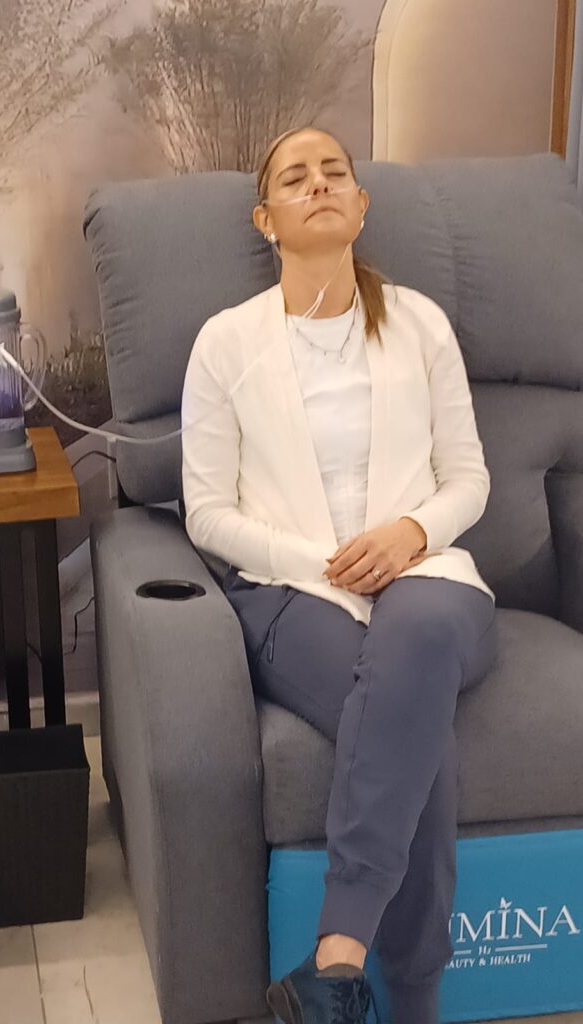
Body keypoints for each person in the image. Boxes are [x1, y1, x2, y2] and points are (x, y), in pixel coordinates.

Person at [179, 126, 498, 1024]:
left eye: (335, 173)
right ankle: (414, 1003)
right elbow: (205, 513)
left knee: (418, 642)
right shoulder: (225, 344)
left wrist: (408, 534)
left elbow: (469, 477)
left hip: (428, 575)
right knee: (413, 724)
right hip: (290, 594)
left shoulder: (420, 323)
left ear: (361, 206)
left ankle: (336, 963)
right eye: (295, 177)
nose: (318, 184)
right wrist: (325, 563)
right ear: (266, 219)